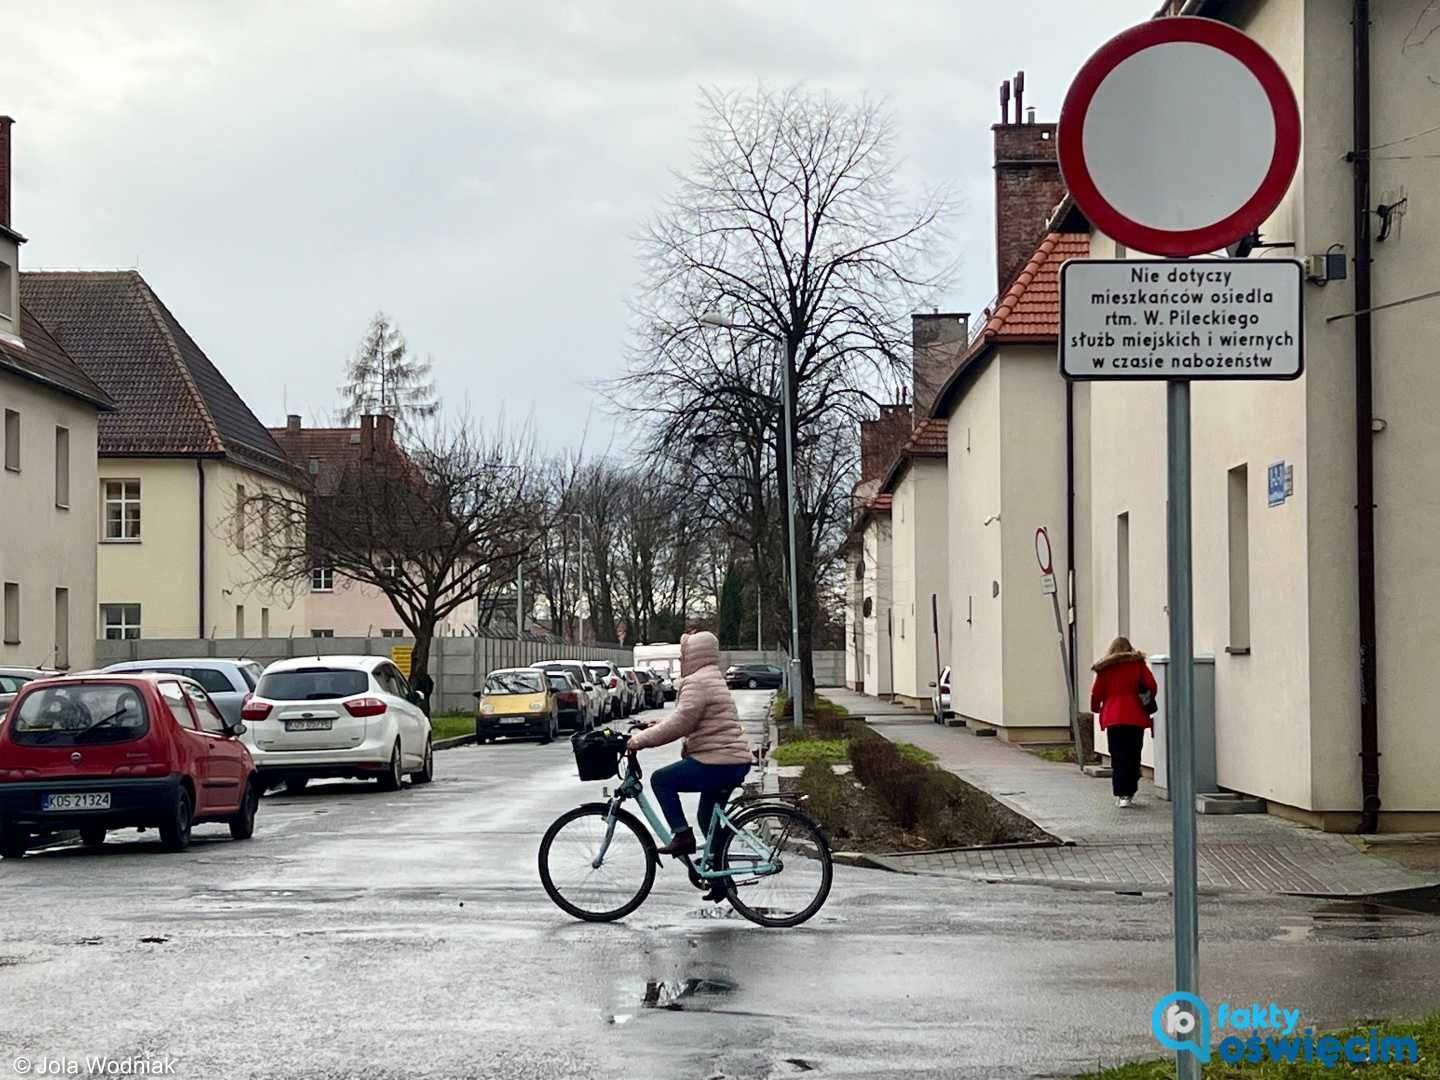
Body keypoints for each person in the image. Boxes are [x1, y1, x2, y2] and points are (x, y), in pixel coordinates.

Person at [627, 630, 751, 863]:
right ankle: (720, 878)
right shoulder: (711, 676)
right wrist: (655, 725)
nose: (682, 660)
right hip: (730, 760)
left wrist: (640, 740)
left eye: (683, 654)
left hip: (719, 760)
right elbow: (691, 717)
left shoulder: (698, 681)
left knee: (662, 780)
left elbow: (681, 722)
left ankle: (682, 835)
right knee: (707, 818)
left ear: (693, 654)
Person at [1089, 636, 1157, 808]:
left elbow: (1097, 693)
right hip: (1135, 716)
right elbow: (1152, 685)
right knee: (1134, 754)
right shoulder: (1138, 664)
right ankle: (1131, 789)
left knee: (1118, 756)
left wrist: (1096, 707)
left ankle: (1122, 794)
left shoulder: (1106, 669)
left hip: (1114, 717)